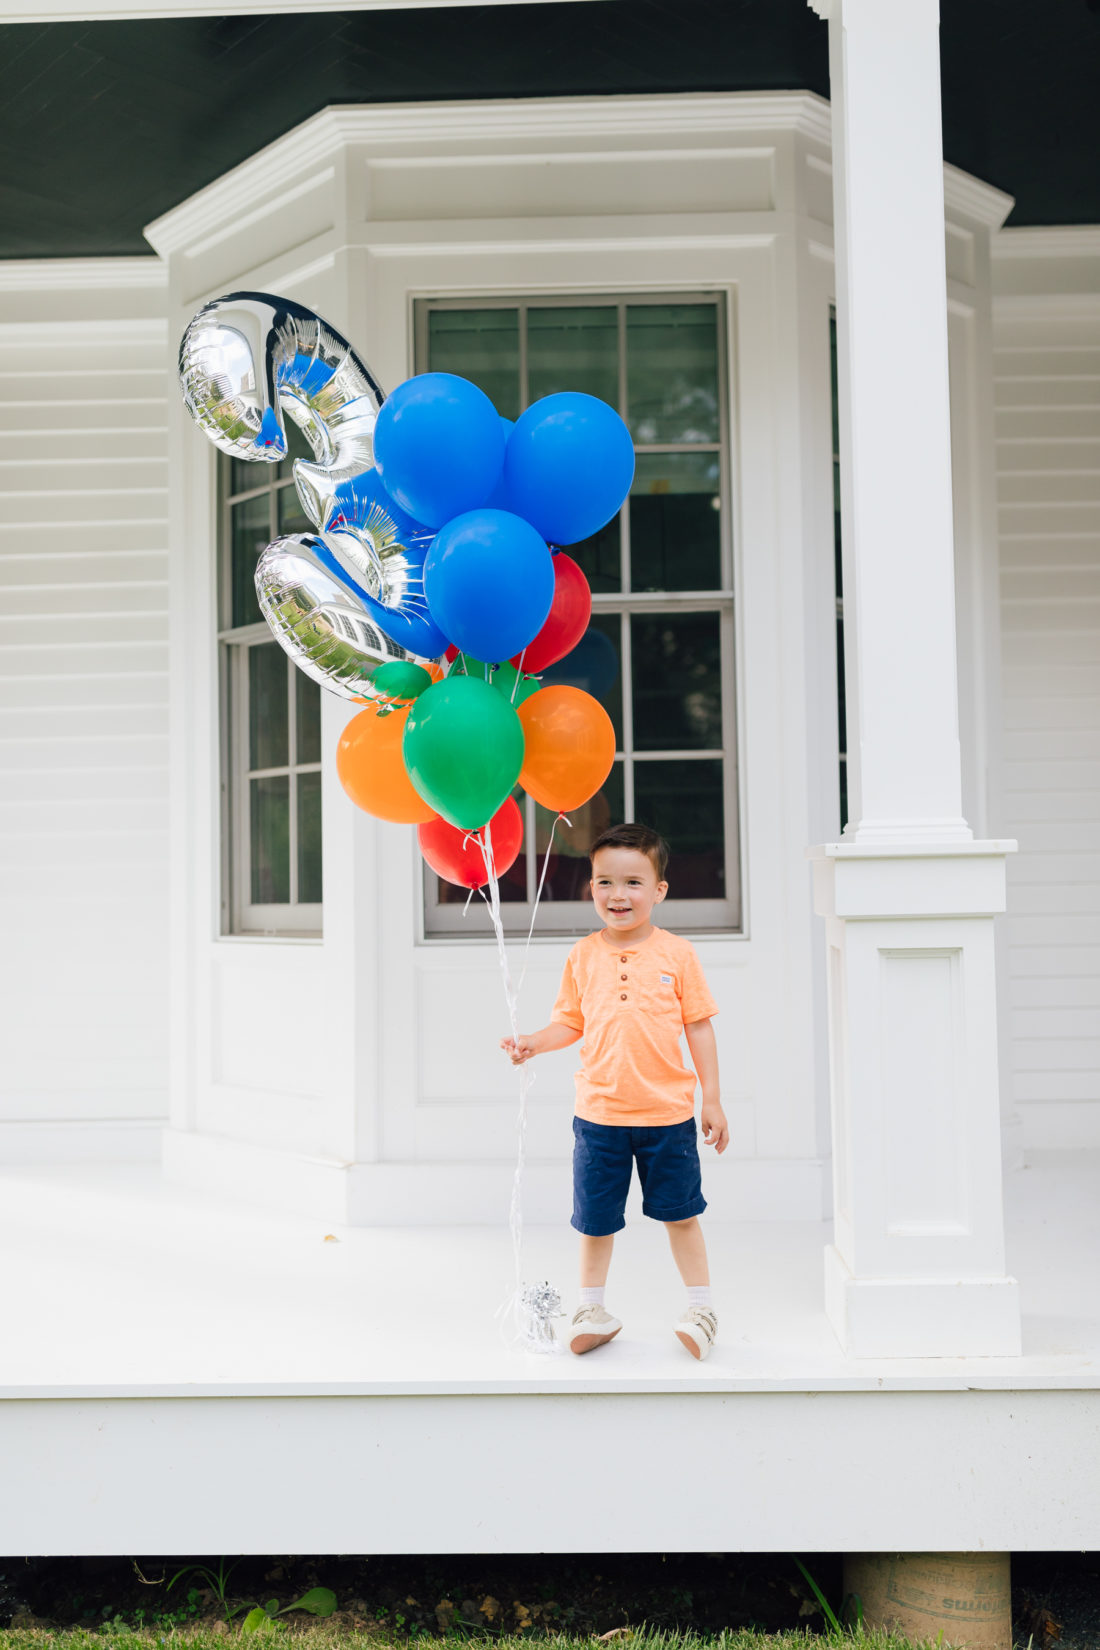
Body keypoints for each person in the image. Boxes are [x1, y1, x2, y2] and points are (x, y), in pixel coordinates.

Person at [500, 821, 728, 1360]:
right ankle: (590, 1308)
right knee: (595, 1220)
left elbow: (699, 1026)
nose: (616, 895)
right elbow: (570, 1024)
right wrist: (534, 1041)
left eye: (631, 882)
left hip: (667, 1115)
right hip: (599, 1114)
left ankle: (701, 1307)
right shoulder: (582, 956)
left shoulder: (678, 955)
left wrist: (711, 1099)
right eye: (603, 882)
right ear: (591, 888)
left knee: (680, 1214)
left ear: (658, 891)